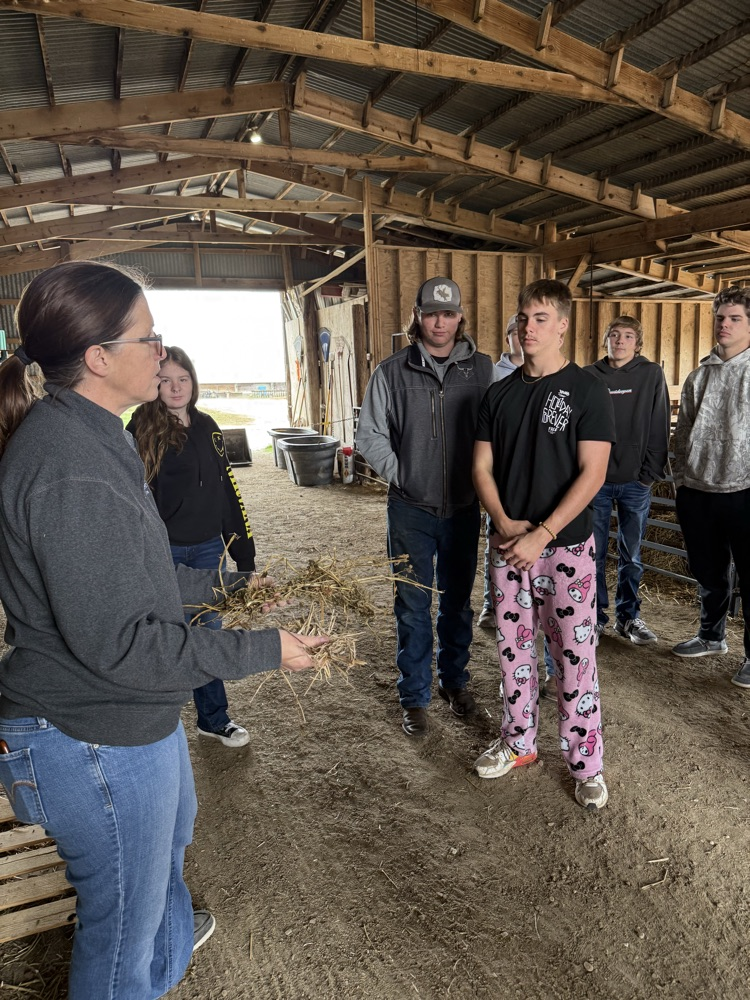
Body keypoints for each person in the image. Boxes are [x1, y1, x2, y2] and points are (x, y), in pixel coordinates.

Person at [0, 261, 326, 1000]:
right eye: (148, 337)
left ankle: (157, 949)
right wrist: (264, 649)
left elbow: (138, 575)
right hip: (88, 732)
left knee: (167, 854)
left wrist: (228, 587)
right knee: (118, 931)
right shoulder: (68, 466)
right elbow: (122, 643)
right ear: (98, 359)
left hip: (128, 720)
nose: (162, 352)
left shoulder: (100, 435)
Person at [472, 278, 615, 811]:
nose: (527, 328)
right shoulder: (499, 393)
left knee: (574, 657)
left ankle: (587, 763)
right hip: (508, 544)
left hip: (566, 549)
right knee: (514, 653)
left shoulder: (587, 390)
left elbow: (593, 472)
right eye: (522, 318)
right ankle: (518, 743)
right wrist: (505, 522)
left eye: (539, 318)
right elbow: (481, 466)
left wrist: (543, 533)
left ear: (561, 325)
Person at [356, 277, 498, 737]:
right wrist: (405, 475)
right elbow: (370, 436)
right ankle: (414, 695)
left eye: (450, 313)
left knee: (456, 602)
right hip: (410, 509)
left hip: (462, 507)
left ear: (460, 317)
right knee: (413, 604)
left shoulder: (483, 369)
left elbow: (501, 430)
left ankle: (454, 682)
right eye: (432, 313)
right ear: (417, 315)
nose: (441, 322)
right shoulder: (391, 371)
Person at [128, 347, 255, 748]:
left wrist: (243, 551)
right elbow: (132, 498)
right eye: (165, 379)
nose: (175, 387)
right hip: (163, 552)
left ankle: (213, 719)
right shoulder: (139, 430)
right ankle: (154, 721)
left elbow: (227, 488)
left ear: (194, 382)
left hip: (206, 550)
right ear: (154, 383)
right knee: (162, 635)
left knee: (207, 633)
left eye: (183, 379)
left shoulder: (209, 426)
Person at [671, 286, 750, 688]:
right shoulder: (698, 374)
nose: (725, 324)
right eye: (721, 317)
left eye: (735, 318)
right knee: (708, 569)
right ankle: (711, 635)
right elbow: (682, 431)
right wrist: (681, 478)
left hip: (746, 487)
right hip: (699, 488)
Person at [584, 317, 670, 645]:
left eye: (628, 336)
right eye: (615, 335)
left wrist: (649, 475)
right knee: (594, 551)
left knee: (631, 553)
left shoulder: (650, 375)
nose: (620, 341)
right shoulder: (588, 376)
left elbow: (660, 423)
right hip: (596, 482)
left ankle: (629, 616)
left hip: (635, 481)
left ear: (638, 343)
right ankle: (595, 617)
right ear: (605, 339)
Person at [477, 314, 523, 630]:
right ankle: (491, 603)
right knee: (496, 538)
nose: (521, 336)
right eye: (514, 332)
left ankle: (527, 603)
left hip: (532, 475)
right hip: (500, 474)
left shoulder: (550, 374)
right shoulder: (492, 376)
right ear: (507, 338)